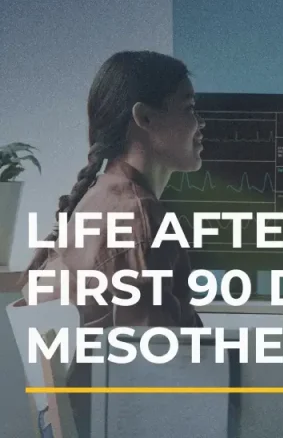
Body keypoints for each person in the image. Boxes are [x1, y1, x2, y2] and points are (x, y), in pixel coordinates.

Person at [16, 50, 206, 436]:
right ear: (144, 118)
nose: (200, 125)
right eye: (189, 108)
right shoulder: (137, 215)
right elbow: (156, 371)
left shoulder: (103, 197)